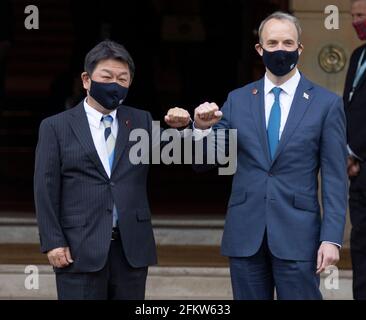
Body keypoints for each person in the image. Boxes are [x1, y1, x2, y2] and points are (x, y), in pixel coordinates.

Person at [189, 12, 348, 300]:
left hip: (298, 237)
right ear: (259, 50)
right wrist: (200, 129)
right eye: (272, 42)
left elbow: (336, 178)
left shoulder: (326, 104)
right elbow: (205, 161)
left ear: (300, 49)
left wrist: (331, 238)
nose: (280, 50)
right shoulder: (238, 99)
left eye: (288, 42)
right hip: (246, 235)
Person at [34, 40, 190, 300]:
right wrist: (53, 241)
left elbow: (186, 154)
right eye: (106, 77)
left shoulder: (139, 120)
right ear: (86, 79)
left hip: (131, 248)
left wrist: (186, 127)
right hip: (78, 247)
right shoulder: (56, 127)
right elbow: (45, 187)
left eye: (122, 79)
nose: (114, 84)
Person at [343, 0, 366, 300]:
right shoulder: (358, 55)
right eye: (352, 16)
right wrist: (345, 152)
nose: (355, 21)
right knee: (360, 245)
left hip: (360, 161)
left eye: (361, 16)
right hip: (357, 172)